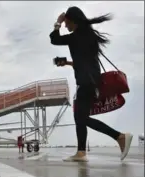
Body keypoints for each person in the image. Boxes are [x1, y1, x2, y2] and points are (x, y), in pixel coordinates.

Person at [49, 6, 133, 162]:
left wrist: (57, 23)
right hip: (91, 82)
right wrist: (67, 62)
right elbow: (84, 62)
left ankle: (119, 136)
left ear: (73, 20)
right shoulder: (88, 36)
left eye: (66, 22)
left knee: (82, 118)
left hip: (85, 83)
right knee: (79, 117)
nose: (65, 26)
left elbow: (54, 39)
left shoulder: (75, 37)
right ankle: (81, 153)